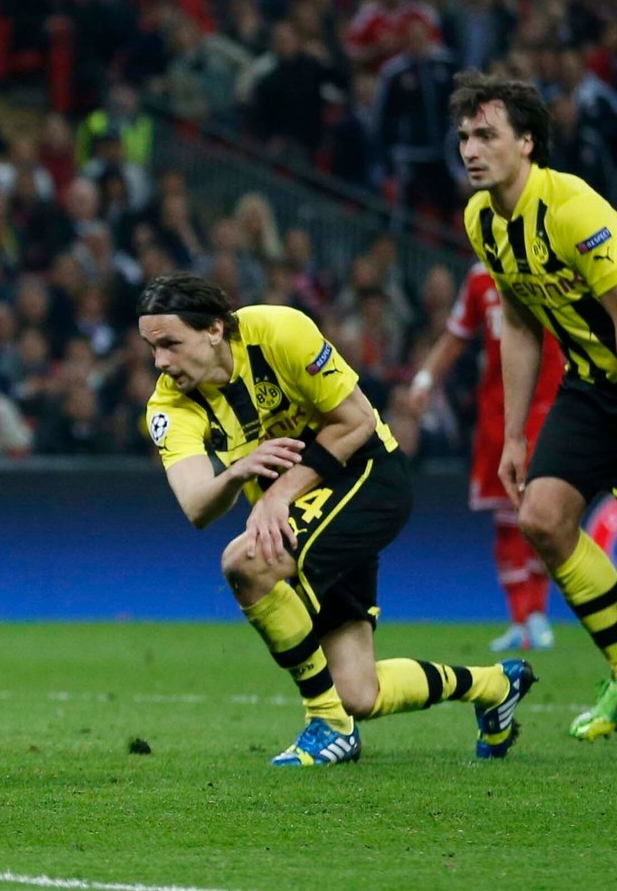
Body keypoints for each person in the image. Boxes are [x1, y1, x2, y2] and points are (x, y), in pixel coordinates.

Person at [138, 272, 531, 766]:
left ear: (214, 329)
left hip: (367, 476)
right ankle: (495, 685)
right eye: (152, 348)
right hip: (300, 513)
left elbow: (358, 420)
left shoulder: (280, 332)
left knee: (245, 563)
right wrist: (236, 474)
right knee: (358, 693)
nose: (161, 361)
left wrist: (277, 493)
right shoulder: (170, 405)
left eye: (171, 344)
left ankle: (326, 723)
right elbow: (197, 505)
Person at [455, 72, 617, 741]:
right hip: (593, 385)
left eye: (486, 134)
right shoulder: (481, 220)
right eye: (464, 135)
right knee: (543, 518)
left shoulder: (573, 208)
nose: (469, 147)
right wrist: (515, 434)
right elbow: (519, 322)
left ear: (526, 142)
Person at [399, 263, 565, 651]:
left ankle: (538, 612)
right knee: (507, 520)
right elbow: (456, 337)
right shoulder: (479, 277)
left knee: (540, 514)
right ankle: (519, 619)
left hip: (550, 408)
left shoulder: (549, 263)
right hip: (499, 415)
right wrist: (425, 378)